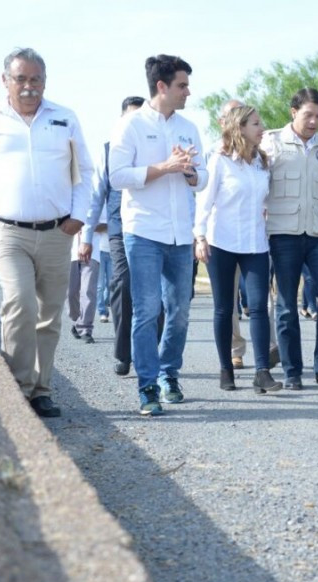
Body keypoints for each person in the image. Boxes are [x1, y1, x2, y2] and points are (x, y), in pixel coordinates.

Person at [0, 47, 93, 418]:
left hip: (56, 232)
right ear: (5, 81)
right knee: (20, 303)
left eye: (36, 79)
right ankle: (17, 387)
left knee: (49, 313)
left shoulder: (65, 118)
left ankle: (41, 390)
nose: (29, 86)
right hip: (7, 231)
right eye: (21, 78)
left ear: (45, 82)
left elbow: (85, 174)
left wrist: (79, 217)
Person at [108, 54, 206, 416]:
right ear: (161, 86)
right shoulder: (130, 126)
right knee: (147, 310)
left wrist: (191, 173)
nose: (188, 92)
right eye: (182, 85)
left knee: (179, 311)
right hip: (144, 231)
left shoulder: (189, 128)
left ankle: (169, 374)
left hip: (181, 234)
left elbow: (204, 178)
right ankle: (147, 385)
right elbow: (117, 176)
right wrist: (164, 167)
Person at [195, 104, 282, 394]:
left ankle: (262, 372)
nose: (262, 128)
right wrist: (200, 237)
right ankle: (226, 369)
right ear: (240, 127)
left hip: (256, 243)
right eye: (256, 123)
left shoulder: (262, 161)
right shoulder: (219, 160)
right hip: (222, 242)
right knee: (224, 308)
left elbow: (266, 199)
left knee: (258, 306)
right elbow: (204, 201)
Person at [260, 88, 318, 392]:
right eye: (309, 115)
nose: (314, 122)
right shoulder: (270, 142)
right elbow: (255, 181)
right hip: (283, 234)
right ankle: (292, 371)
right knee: (286, 304)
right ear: (293, 111)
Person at [83, 96, 147, 376]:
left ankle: (149, 350)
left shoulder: (154, 148)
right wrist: (86, 236)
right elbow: (96, 196)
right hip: (118, 230)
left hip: (148, 229)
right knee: (122, 283)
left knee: (153, 292)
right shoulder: (108, 152)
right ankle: (124, 354)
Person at [67, 218, 103, 344]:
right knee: (71, 293)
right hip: (70, 252)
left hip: (91, 253)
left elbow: (107, 225)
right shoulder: (70, 199)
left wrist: (87, 226)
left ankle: (85, 328)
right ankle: (77, 321)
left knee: (88, 291)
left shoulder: (99, 200)